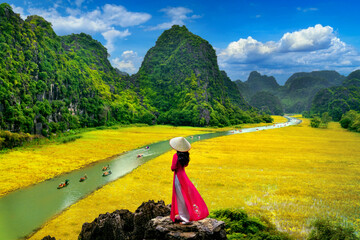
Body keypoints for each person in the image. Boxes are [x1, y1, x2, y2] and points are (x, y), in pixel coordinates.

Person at [169, 137, 209, 224]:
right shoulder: (185, 155)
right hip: (184, 176)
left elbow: (173, 168)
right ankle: (184, 215)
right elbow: (185, 165)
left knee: (180, 197)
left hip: (178, 177)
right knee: (185, 196)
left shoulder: (176, 156)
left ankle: (185, 218)